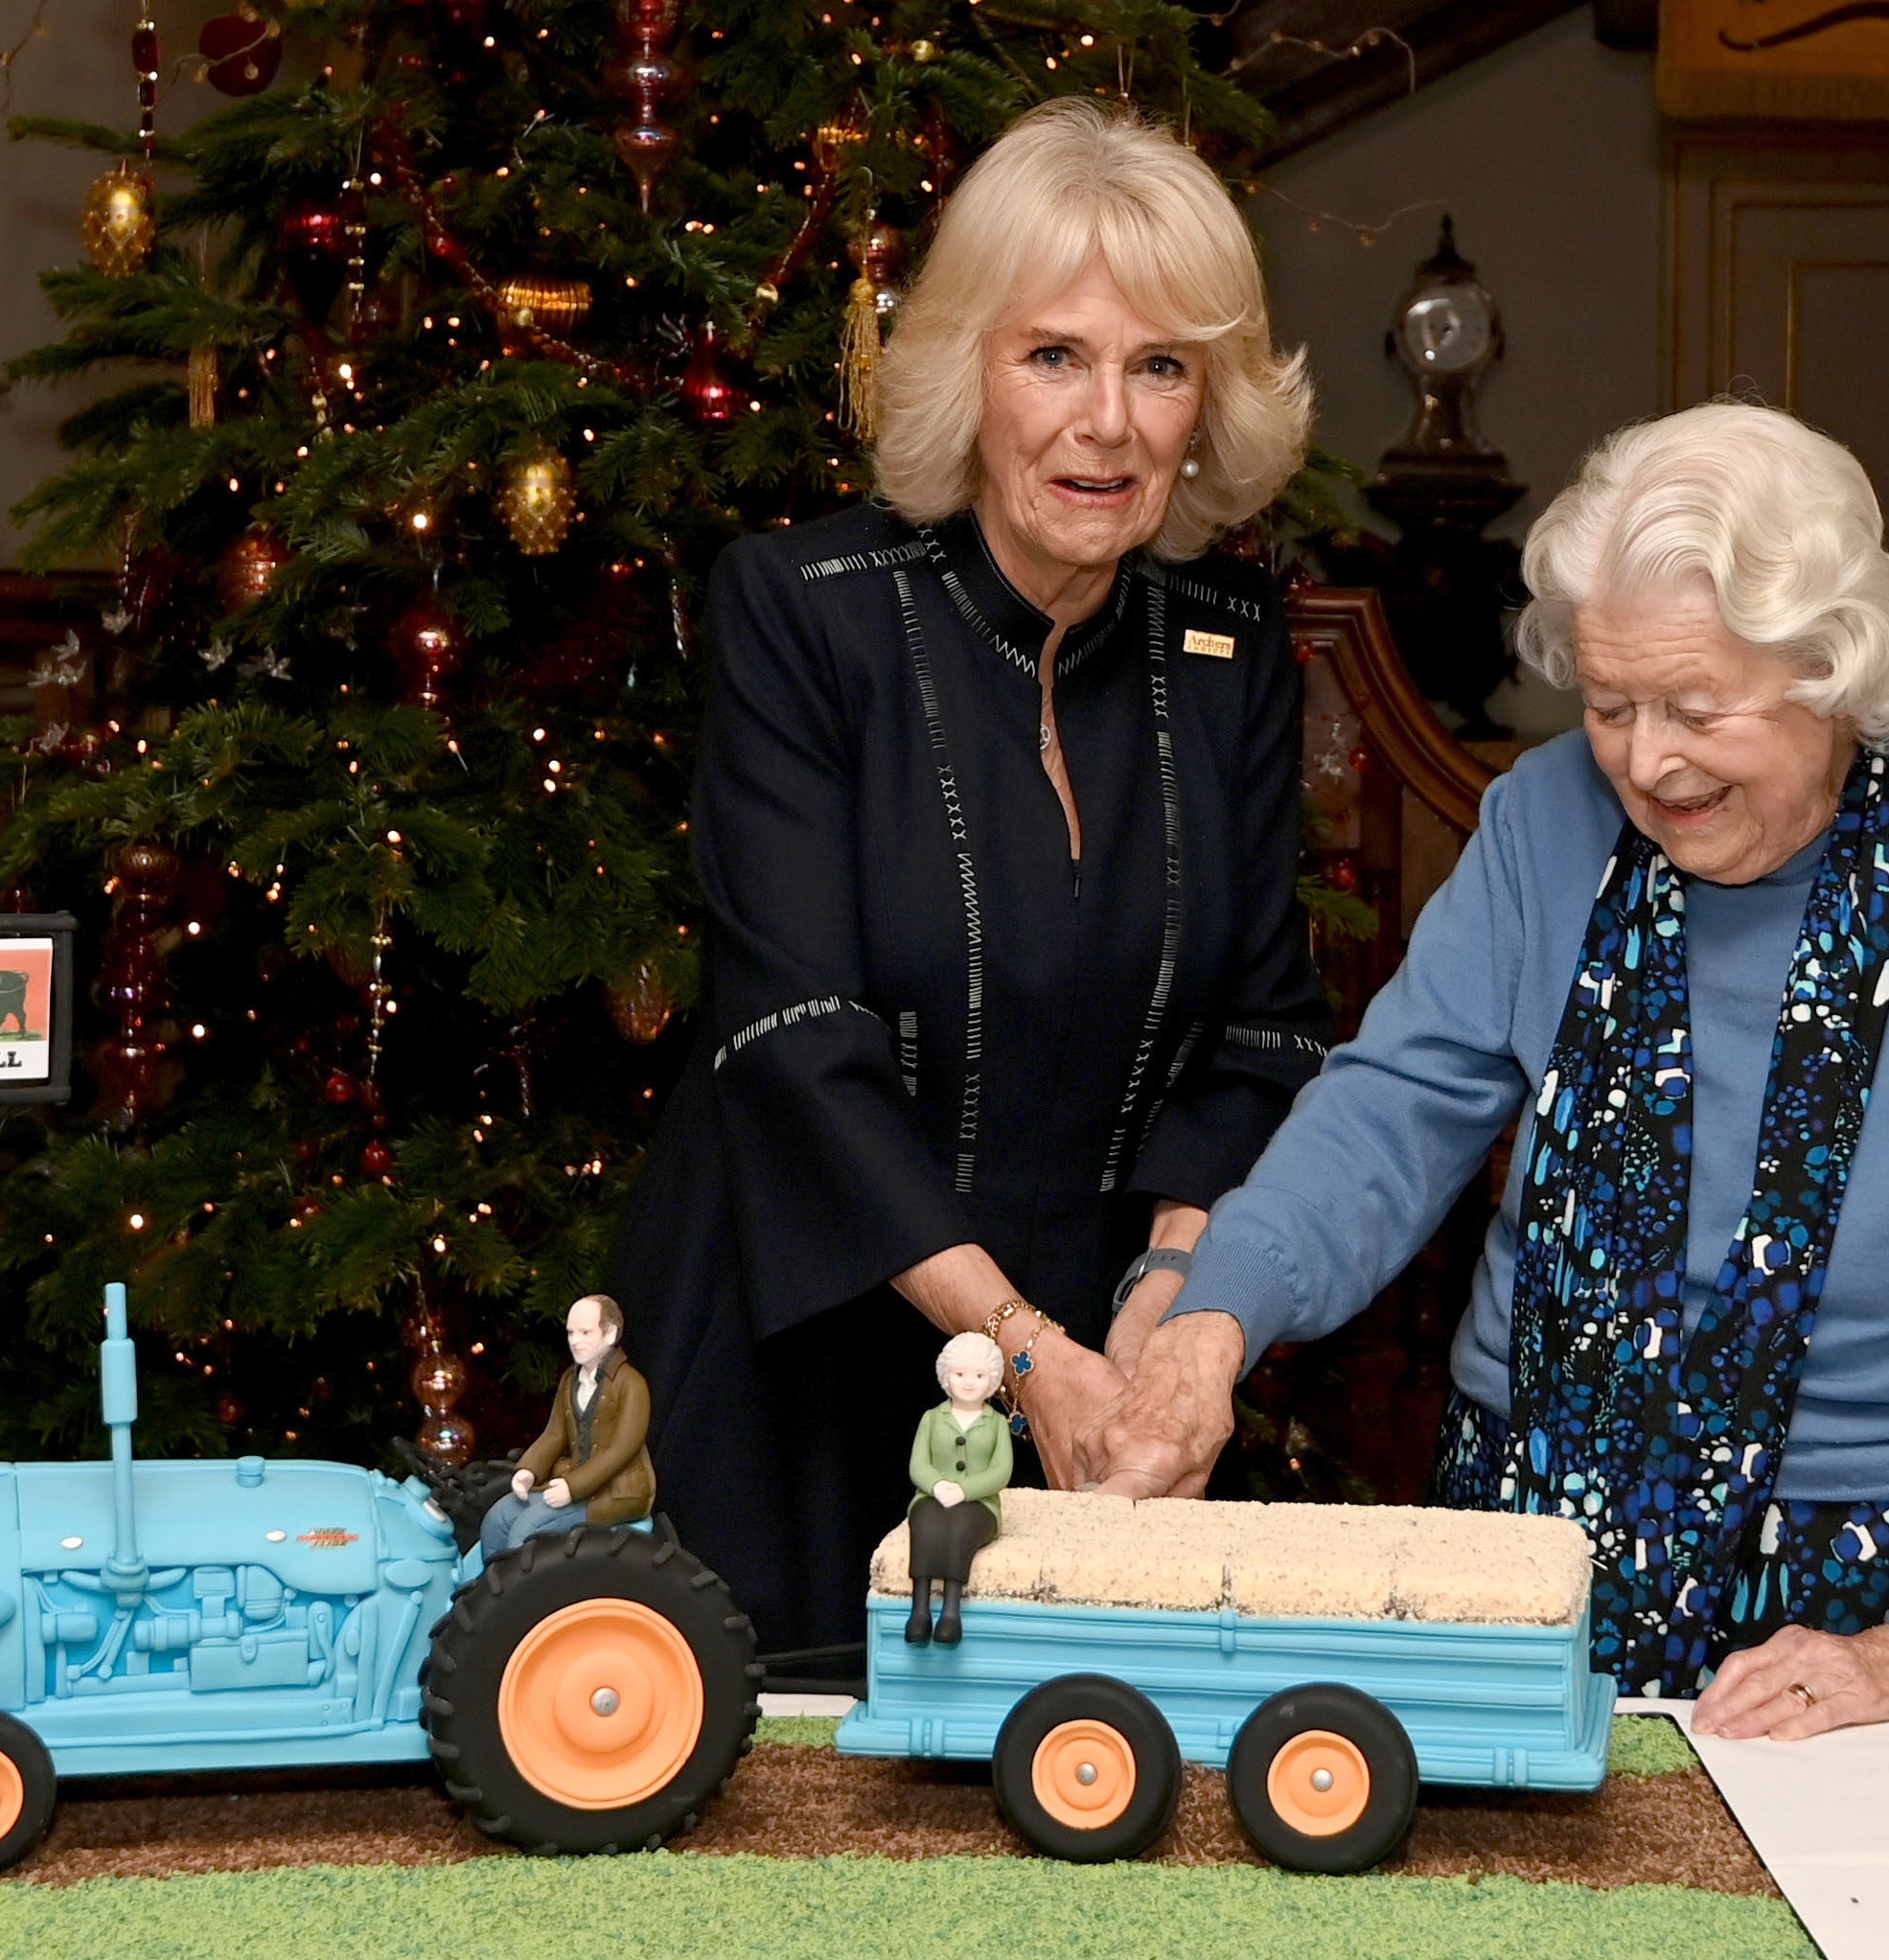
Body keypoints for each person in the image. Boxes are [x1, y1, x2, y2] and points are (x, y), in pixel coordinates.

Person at [1084, 403, 1889, 1739]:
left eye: (1694, 708)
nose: (1645, 760)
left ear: (1833, 670)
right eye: (1607, 702)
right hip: (1526, 1531)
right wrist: (1212, 1318)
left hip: (1858, 1584)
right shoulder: (1543, 817)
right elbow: (1387, 1116)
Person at [606, 98, 1330, 1659]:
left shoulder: (1232, 654)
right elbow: (796, 1045)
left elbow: (1259, 1035)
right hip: (798, 1358)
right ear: (965, 373)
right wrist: (1020, 1355)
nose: (1109, 422)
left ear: (1209, 405)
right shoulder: (807, 614)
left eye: (1159, 367)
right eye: (1053, 355)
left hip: (1099, 1387)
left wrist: (1156, 1322)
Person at [480, 1294, 655, 1561]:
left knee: (526, 1531)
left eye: (585, 1332)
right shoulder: (570, 1380)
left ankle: (521, 1599)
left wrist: (573, 1487)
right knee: (497, 1520)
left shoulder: (632, 1385)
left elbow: (621, 1450)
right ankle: (492, 1593)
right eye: (571, 1332)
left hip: (618, 1490)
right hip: (571, 1481)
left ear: (610, 1334)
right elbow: (555, 1433)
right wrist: (529, 1469)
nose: (575, 1340)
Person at [904, 1331, 1013, 1646]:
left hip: (980, 1505)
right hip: (931, 1497)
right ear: (946, 1376)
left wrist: (965, 1490)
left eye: (979, 1375)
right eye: (960, 1373)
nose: (968, 1382)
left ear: (992, 1381)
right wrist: (936, 1485)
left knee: (961, 1527)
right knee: (925, 1524)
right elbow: (918, 1465)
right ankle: (920, 1609)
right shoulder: (932, 1419)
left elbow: (1001, 1472)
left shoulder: (996, 1424)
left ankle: (951, 1612)